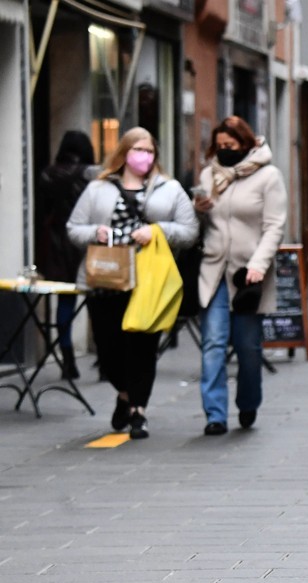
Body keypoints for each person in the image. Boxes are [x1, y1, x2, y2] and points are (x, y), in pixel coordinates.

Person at [67, 127, 199, 439]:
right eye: (138, 150)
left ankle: (138, 410)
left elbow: (189, 230)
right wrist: (95, 233)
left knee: (143, 345)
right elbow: (74, 228)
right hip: (106, 279)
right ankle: (124, 393)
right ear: (124, 152)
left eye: (150, 151)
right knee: (108, 347)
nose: (145, 156)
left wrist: (158, 231)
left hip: (148, 280)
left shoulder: (169, 189)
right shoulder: (99, 188)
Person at [193, 116, 287, 436]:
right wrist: (199, 210)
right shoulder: (209, 175)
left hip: (248, 276)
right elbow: (201, 226)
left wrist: (259, 264)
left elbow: (274, 225)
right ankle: (215, 414)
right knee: (213, 343)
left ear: (245, 145)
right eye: (219, 147)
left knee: (248, 347)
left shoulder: (268, 177)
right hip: (214, 270)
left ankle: (248, 402)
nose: (224, 152)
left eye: (230, 146)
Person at [35, 130, 99, 380]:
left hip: (55, 246)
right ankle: (104, 360)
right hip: (85, 244)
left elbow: (42, 212)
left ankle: (67, 358)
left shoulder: (47, 175)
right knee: (96, 301)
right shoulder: (89, 176)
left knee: (64, 302)